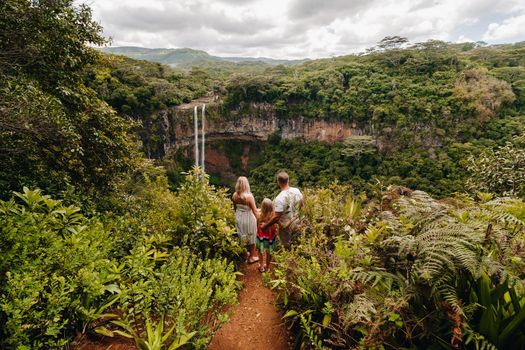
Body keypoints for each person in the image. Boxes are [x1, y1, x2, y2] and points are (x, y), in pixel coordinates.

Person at [260, 171, 303, 248]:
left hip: (286, 227)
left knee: (287, 247)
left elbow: (276, 217)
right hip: (298, 222)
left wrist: (265, 225)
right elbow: (302, 204)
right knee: (298, 244)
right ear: (288, 180)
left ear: (278, 182)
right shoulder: (296, 191)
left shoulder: (279, 198)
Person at [232, 176, 259, 263]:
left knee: (242, 235)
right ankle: (252, 257)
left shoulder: (234, 195)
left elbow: (238, 208)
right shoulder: (249, 197)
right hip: (248, 218)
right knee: (251, 236)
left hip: (239, 217)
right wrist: (261, 221)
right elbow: (254, 211)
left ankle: (244, 255)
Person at [256, 198, 278, 272]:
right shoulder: (274, 216)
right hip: (270, 238)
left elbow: (257, 226)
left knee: (260, 251)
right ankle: (267, 267)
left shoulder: (259, 216)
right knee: (269, 252)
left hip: (261, 237)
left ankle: (261, 266)